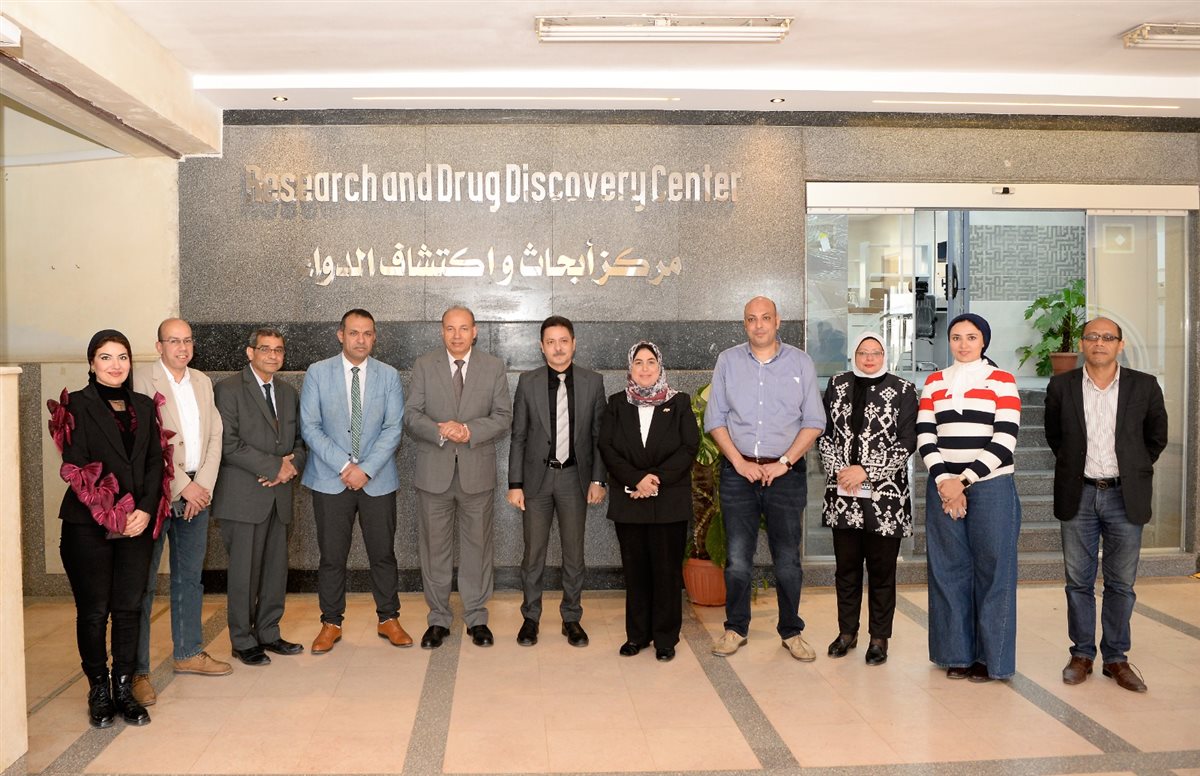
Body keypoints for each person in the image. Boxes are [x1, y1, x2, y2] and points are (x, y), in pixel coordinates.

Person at [48, 329, 168, 728]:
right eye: (106, 357)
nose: (115, 365)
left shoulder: (145, 405)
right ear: (91, 363)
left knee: (129, 609)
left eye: (122, 357)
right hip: (89, 525)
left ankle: (124, 688)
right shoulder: (76, 406)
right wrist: (115, 513)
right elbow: (77, 465)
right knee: (95, 611)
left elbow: (155, 462)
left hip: (136, 525)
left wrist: (145, 510)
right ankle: (98, 690)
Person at [1046, 317, 1168, 693]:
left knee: (1121, 584)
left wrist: (1132, 469)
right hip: (1078, 493)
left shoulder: (1144, 386)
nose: (1100, 342)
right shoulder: (1062, 386)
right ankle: (1082, 655)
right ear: (1082, 344)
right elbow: (1055, 437)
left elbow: (1156, 438)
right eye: (1092, 337)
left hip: (1124, 495)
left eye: (1108, 337)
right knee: (1078, 582)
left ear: (1120, 344)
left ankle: (1116, 658)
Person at [705, 296, 826, 661]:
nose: (758, 325)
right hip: (738, 474)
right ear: (745, 324)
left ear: (777, 321)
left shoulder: (800, 363)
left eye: (765, 318)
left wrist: (785, 462)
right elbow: (715, 419)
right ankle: (735, 628)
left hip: (785, 474)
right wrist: (739, 462)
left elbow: (814, 421)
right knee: (737, 558)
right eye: (751, 319)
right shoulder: (728, 361)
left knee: (787, 559)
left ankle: (791, 631)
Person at [917, 313, 1021, 682]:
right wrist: (944, 480)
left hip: (991, 485)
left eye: (971, 337)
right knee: (948, 571)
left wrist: (963, 481)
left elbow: (1005, 439)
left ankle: (989, 659)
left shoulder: (1003, 380)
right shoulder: (934, 382)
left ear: (984, 341)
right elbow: (925, 435)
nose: (963, 344)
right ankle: (956, 654)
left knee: (994, 572)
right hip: (943, 486)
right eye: (956, 337)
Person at [131, 318, 230, 707]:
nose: (182, 347)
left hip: (196, 498)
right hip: (156, 495)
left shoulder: (201, 381)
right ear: (159, 346)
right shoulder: (141, 381)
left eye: (187, 341)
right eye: (174, 341)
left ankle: (188, 652)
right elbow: (146, 442)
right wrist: (180, 486)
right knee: (142, 585)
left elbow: (215, 435)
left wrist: (201, 486)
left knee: (189, 578)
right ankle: (137, 671)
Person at [301, 309, 410, 653]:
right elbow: (310, 427)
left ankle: (388, 618)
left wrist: (366, 469)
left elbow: (393, 428)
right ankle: (331, 622)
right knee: (332, 556)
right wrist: (345, 466)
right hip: (330, 479)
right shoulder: (318, 373)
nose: (360, 340)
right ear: (340, 335)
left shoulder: (388, 375)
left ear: (374, 337)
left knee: (383, 554)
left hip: (377, 480)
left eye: (367, 333)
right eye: (353, 333)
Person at [404, 306, 512, 649]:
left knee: (477, 548)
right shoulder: (425, 365)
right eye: (450, 328)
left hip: (476, 474)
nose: (456, 335)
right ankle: (438, 619)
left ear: (475, 331)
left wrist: (469, 430)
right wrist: (440, 430)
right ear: (442, 331)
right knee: (434, 549)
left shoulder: (493, 367)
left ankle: (476, 618)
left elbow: (503, 416)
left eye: (463, 328)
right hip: (433, 473)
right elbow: (411, 415)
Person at [818, 332, 918, 666]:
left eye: (876, 352)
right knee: (846, 569)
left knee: (881, 571)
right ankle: (847, 632)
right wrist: (840, 471)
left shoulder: (903, 389)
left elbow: (907, 441)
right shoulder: (837, 385)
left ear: (884, 355)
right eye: (863, 352)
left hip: (885, 498)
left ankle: (879, 638)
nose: (869, 358)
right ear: (854, 355)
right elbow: (824, 434)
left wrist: (865, 471)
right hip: (843, 494)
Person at [507, 316, 607, 647]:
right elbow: (518, 436)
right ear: (541, 347)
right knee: (533, 553)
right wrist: (515, 484)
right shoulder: (528, 381)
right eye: (550, 342)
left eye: (563, 341)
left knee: (574, 554)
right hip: (536, 481)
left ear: (574, 344)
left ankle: (572, 618)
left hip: (574, 479)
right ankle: (530, 618)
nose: (558, 348)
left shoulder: (593, 382)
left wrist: (598, 479)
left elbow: (600, 437)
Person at [598, 341, 698, 661]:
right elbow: (607, 447)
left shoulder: (679, 402)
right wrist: (636, 479)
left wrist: (654, 480)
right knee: (635, 572)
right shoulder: (617, 403)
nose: (644, 368)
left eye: (650, 361)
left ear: (660, 366)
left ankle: (665, 638)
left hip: (669, 502)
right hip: (630, 501)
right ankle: (637, 635)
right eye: (638, 362)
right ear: (630, 368)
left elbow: (689, 446)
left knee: (667, 573)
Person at [213, 327, 308, 666]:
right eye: (265, 349)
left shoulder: (287, 393)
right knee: (244, 573)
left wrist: (291, 466)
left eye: (278, 350)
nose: (273, 355)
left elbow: (299, 443)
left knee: (274, 571)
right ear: (250, 352)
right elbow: (228, 443)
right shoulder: (228, 390)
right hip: (243, 497)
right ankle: (242, 640)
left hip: (278, 496)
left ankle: (269, 632)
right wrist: (274, 466)